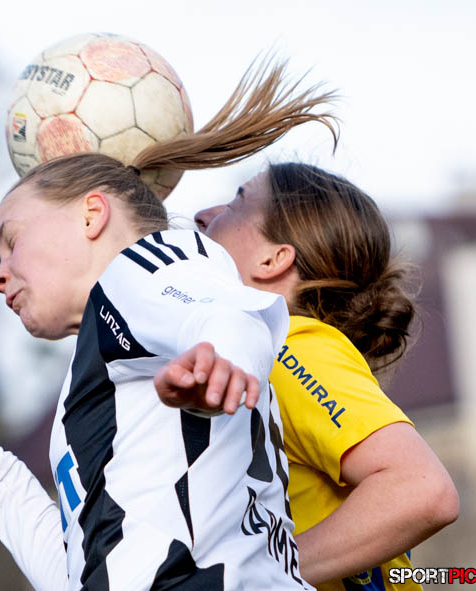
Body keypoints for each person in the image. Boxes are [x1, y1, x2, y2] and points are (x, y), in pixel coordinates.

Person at [0, 58, 338, 590]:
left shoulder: (146, 267)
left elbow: (227, 314)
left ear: (91, 215)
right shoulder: (102, 371)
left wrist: (225, 360)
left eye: (11, 241)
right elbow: (84, 571)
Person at [185, 163, 460, 591]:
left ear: (273, 258)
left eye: (237, 201)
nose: (204, 214)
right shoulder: (255, 353)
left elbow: (422, 490)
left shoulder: (288, 345)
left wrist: (260, 577)